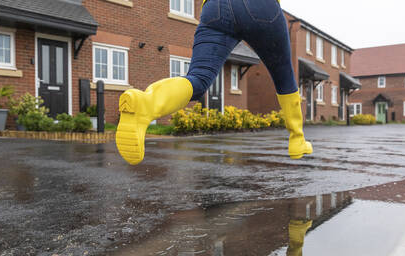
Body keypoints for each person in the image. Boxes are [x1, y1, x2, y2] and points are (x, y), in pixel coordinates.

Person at [116, 0, 313, 165]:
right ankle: (297, 138)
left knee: (198, 78)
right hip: (261, 8)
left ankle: (146, 104)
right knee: (284, 77)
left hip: (215, 8)